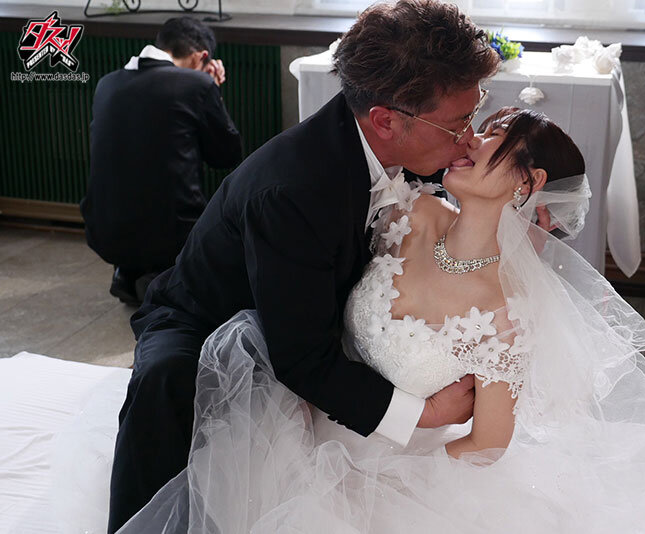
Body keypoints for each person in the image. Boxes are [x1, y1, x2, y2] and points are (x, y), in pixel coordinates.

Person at [84, 107, 645, 533]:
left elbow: (487, 444)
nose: (470, 139)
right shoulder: (408, 214)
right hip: (305, 415)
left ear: (526, 182)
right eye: (476, 123)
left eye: (492, 137)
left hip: (393, 468)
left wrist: (383, 473)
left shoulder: (503, 314)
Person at [105, 2, 500, 532]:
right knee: (166, 383)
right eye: (458, 124)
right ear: (385, 120)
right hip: (206, 320)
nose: (469, 137)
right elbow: (301, 356)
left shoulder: (403, 144)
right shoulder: (293, 192)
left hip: (312, 314)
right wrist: (423, 415)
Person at [80, 16, 241, 306]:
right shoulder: (196, 83)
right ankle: (162, 280)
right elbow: (226, 156)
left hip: (102, 231)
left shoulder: (107, 83)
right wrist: (213, 89)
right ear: (202, 57)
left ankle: (129, 272)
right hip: (171, 235)